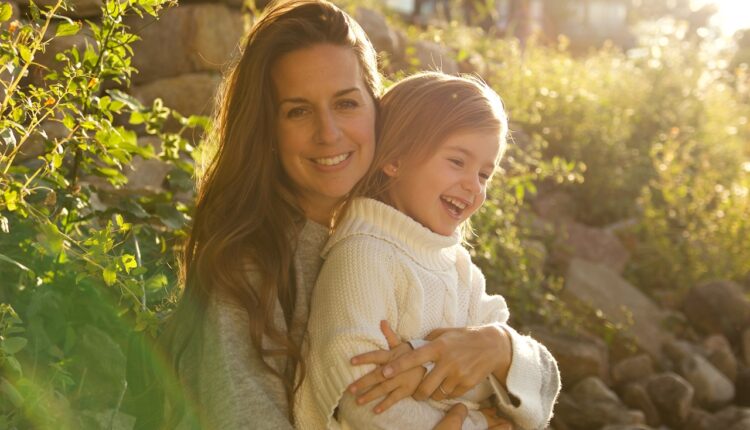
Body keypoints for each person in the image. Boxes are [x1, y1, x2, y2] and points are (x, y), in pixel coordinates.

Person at [157, 1, 529, 429]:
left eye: (346, 104)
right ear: (268, 131)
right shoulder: (247, 272)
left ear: (377, 109)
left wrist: (500, 349)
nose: (328, 133)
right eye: (298, 111)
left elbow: (527, 384)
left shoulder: (408, 244)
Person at [295, 72, 560, 430]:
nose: (473, 186)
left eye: (484, 174)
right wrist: (478, 421)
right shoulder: (361, 258)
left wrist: (431, 369)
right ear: (395, 160)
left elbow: (528, 403)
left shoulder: (460, 268)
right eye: (456, 161)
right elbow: (362, 402)